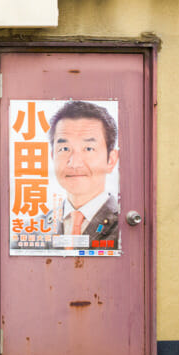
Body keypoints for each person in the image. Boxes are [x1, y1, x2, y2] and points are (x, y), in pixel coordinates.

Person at [47, 100, 120, 249]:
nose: (75, 163)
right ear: (52, 156)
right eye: (64, 149)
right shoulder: (33, 229)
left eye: (88, 148)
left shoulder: (125, 226)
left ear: (111, 160)